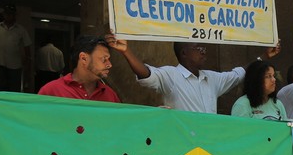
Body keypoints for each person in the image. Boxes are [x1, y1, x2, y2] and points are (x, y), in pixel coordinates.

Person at [109, 36, 278, 113]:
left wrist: (264, 56)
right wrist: (126, 51)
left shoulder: (212, 78)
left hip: (209, 143)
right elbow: (146, 73)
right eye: (199, 49)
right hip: (182, 145)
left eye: (204, 49)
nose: (204, 53)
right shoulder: (171, 75)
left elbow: (239, 73)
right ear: (184, 53)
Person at [0, 35, 121, 108]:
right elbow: (29, 121)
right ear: (83, 58)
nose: (110, 64)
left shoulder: (110, 95)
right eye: (104, 59)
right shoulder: (52, 90)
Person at [0, 4, 32, 92]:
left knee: (14, 89)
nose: (8, 16)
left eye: (11, 14)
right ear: (3, 14)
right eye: (7, 14)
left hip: (15, 65)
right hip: (0, 63)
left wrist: (27, 59)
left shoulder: (21, 29)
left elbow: (27, 45)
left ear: (14, 15)